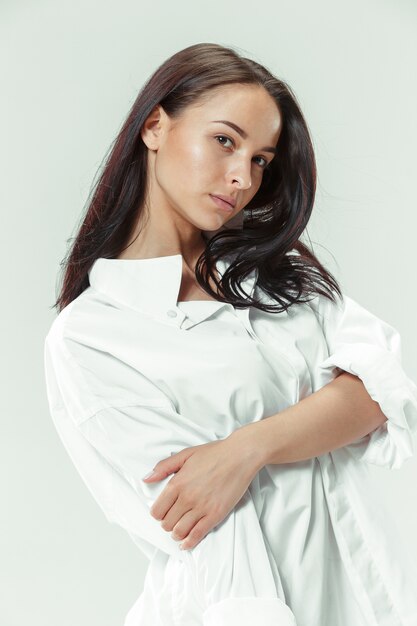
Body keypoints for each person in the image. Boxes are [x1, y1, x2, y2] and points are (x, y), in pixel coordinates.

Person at [43, 42, 417, 626]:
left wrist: (246, 449)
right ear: (154, 127)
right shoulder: (93, 337)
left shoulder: (279, 277)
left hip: (367, 597)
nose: (243, 176)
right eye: (225, 140)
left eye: (262, 159)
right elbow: (203, 517)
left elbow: (379, 392)